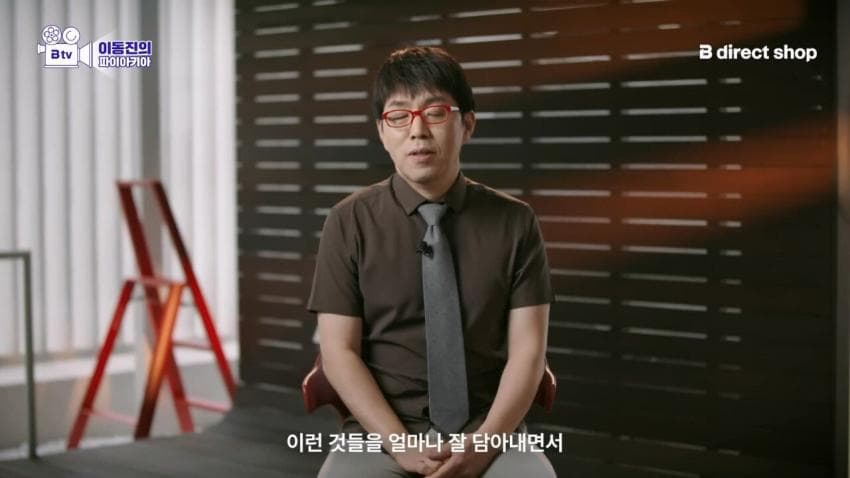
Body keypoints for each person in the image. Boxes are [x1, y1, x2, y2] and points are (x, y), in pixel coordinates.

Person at [307, 46, 556, 478]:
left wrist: (482, 445)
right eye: (399, 116)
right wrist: (400, 445)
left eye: (436, 112)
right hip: (380, 431)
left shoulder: (515, 222)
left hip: (489, 430)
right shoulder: (348, 221)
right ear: (382, 131)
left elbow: (529, 351)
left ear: (467, 125)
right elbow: (338, 350)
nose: (417, 131)